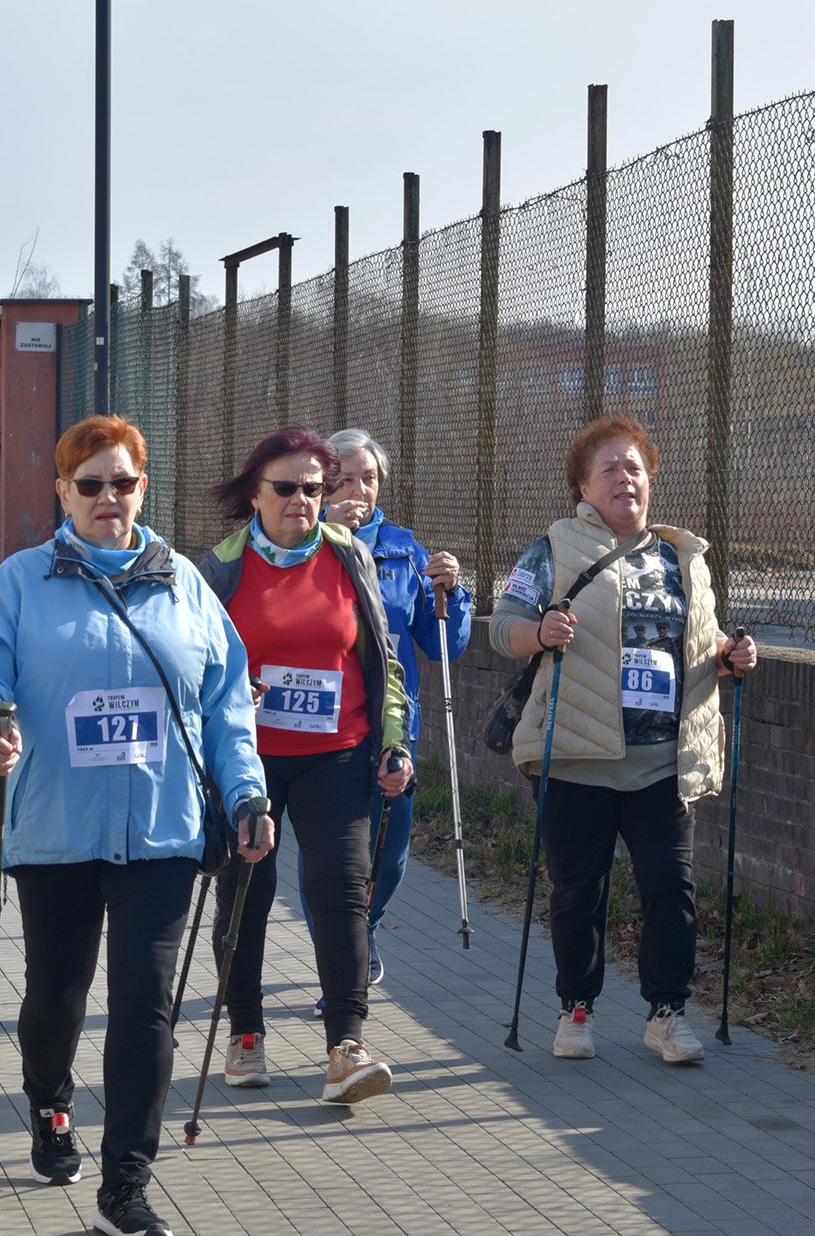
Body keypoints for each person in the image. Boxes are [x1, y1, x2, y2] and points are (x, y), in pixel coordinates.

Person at [0, 415, 271, 1236]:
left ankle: (125, 1183)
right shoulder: (20, 583)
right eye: (88, 483)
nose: (106, 496)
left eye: (121, 482)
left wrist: (246, 793)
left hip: (161, 831)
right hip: (56, 828)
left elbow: (226, 703)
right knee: (56, 997)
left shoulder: (185, 585)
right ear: (62, 492)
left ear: (141, 488)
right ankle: (50, 1099)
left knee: (144, 1004)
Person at [489, 414, 757, 1064]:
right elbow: (503, 627)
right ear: (582, 485)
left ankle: (667, 1012)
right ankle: (576, 1007)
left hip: (661, 760)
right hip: (576, 754)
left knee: (671, 886)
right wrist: (539, 632)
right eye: (608, 468)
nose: (624, 478)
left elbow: (698, 645)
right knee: (579, 889)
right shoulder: (552, 548)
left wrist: (729, 656)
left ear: (650, 480)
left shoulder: (682, 557)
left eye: (634, 467)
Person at [198, 426, 410, 1106]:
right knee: (247, 892)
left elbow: (382, 659)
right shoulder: (221, 566)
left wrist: (394, 739)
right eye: (286, 487)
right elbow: (197, 666)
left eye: (314, 488)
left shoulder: (349, 554)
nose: (302, 499)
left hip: (336, 753)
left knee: (340, 888)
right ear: (255, 493)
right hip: (249, 756)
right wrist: (232, 692)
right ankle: (246, 1032)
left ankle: (346, 1045)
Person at [300, 428, 470, 1001]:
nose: (358, 490)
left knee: (390, 850)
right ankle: (339, 954)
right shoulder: (302, 543)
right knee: (328, 853)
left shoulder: (404, 550)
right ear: (324, 486)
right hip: (323, 724)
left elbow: (443, 645)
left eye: (368, 478)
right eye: (345, 479)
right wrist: (328, 537)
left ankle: (363, 928)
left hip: (392, 725)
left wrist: (452, 594)